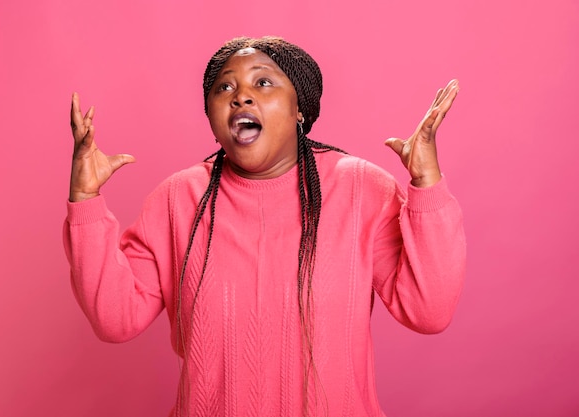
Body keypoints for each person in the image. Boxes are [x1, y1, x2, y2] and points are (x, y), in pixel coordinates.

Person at [64, 36, 466, 417]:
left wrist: (426, 184)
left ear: (299, 109)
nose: (240, 95)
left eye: (262, 81)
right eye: (225, 88)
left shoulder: (361, 188)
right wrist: (85, 201)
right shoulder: (178, 198)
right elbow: (116, 320)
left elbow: (428, 312)